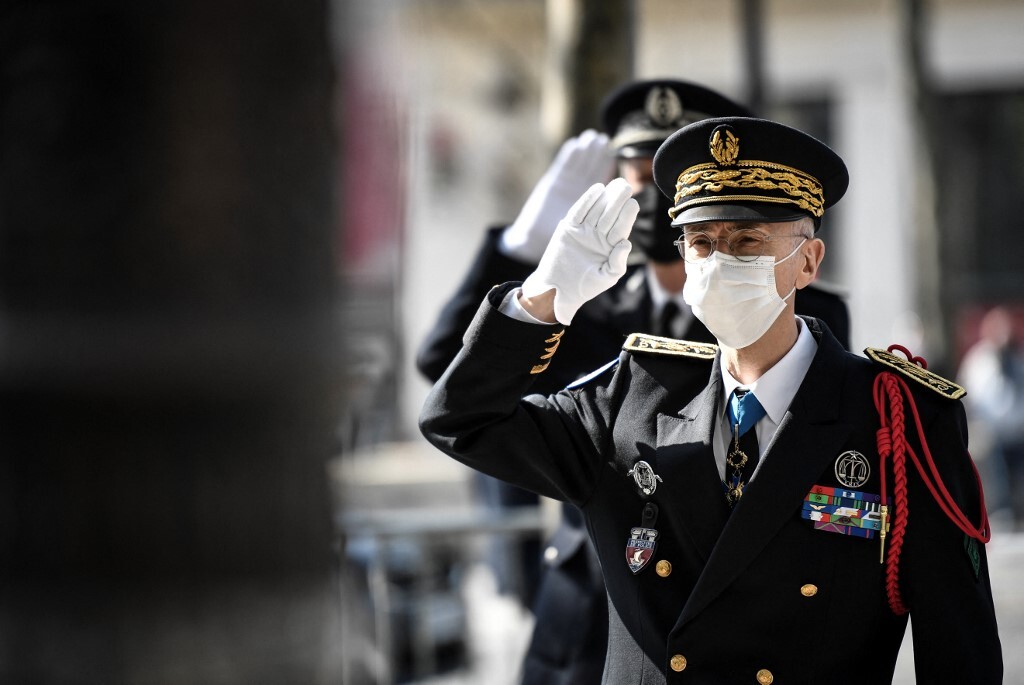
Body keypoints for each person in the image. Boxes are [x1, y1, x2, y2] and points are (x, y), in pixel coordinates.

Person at [420, 116, 1001, 683]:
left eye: (747, 241)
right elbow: (460, 421)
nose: (720, 262)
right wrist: (539, 301)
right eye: (701, 242)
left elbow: (959, 651)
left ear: (808, 261)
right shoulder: (633, 396)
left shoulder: (896, 421)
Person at [958, 305, 1024, 528]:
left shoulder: (1018, 357)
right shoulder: (978, 361)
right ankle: (1002, 512)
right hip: (991, 430)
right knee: (998, 477)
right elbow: (968, 394)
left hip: (1018, 430)